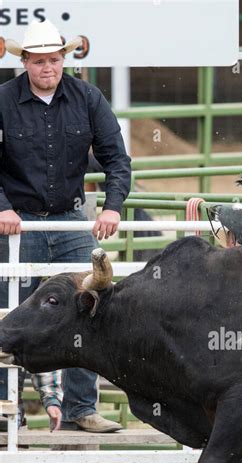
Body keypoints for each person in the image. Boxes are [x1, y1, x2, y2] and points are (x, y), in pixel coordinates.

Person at [0, 19, 131, 432]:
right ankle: (8, 411)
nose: (48, 68)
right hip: (19, 224)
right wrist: (2, 207)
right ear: (25, 63)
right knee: (10, 309)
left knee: (88, 308)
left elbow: (116, 158)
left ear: (63, 59)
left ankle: (81, 408)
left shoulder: (87, 97)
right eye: (39, 61)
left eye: (54, 60)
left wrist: (111, 207)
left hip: (72, 218)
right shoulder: (3, 99)